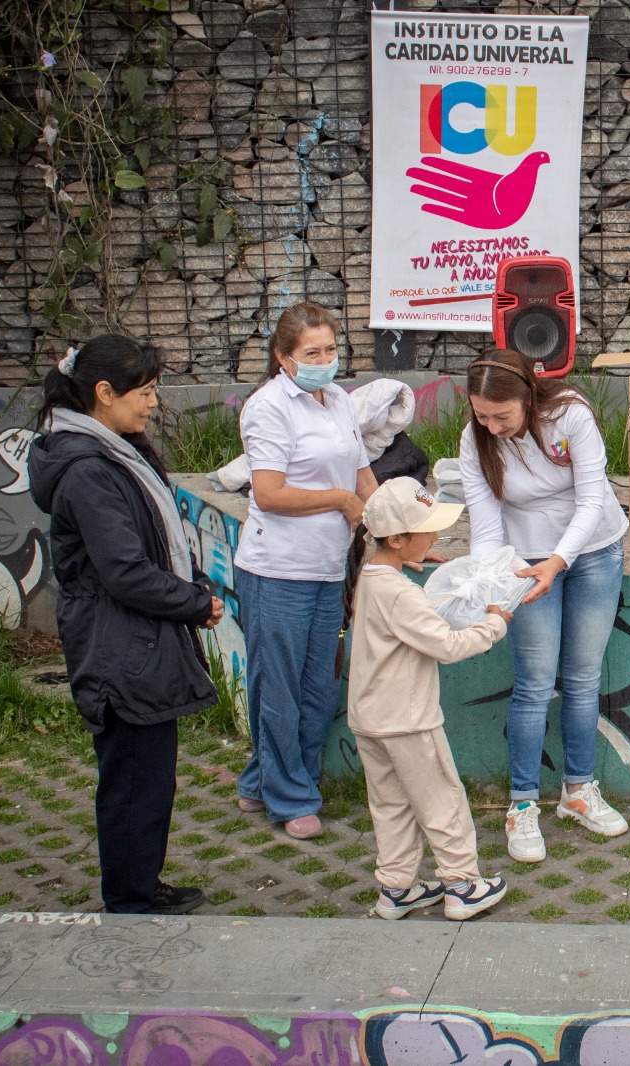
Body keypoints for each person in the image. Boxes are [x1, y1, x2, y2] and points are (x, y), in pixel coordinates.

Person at [28, 336, 224, 915]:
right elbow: (124, 571)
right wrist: (193, 603)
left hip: (134, 638)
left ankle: (140, 882)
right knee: (134, 779)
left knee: (148, 775)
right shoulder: (89, 469)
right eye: (144, 392)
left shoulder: (109, 450)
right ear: (104, 394)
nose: (153, 403)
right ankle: (131, 899)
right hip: (120, 644)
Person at [457, 349, 630, 863]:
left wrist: (559, 561)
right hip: (524, 561)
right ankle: (522, 804)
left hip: (593, 550)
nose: (491, 426)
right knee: (534, 681)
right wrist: (490, 583)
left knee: (582, 678)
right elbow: (486, 524)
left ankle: (578, 791)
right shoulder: (476, 439)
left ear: (528, 396)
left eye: (501, 416)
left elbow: (592, 499)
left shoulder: (571, 413)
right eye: (482, 416)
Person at [234, 303, 377, 840]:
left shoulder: (338, 399)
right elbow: (268, 494)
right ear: (283, 358)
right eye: (311, 353)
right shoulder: (267, 408)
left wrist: (401, 521)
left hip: (325, 567)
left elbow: (362, 475)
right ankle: (291, 795)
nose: (324, 361)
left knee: (319, 682)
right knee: (280, 686)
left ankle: (262, 780)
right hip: (277, 569)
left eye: (331, 350)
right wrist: (340, 500)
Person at [343, 476, 511, 921]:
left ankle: (395, 889)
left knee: (391, 805)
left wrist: (413, 573)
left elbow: (404, 613)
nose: (436, 537)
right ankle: (462, 884)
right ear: (397, 539)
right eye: (427, 531)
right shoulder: (400, 594)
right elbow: (449, 646)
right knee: (442, 801)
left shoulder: (373, 578)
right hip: (409, 720)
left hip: (370, 719)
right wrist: (495, 622)